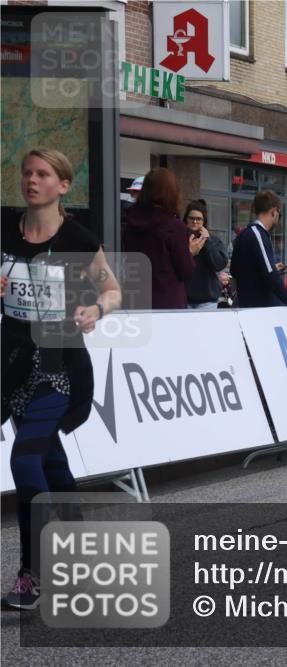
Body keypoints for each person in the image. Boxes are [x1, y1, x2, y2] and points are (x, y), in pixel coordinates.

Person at [1, 148, 122, 610]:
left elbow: (111, 289)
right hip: (12, 365)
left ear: (63, 185)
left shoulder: (77, 237)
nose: (32, 181)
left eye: (43, 174)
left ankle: (32, 576)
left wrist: (96, 309)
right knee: (51, 464)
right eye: (27, 173)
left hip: (58, 369)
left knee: (26, 461)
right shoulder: (4, 230)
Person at [122, 168, 196, 309]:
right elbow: (185, 270)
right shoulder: (174, 226)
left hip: (136, 299)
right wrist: (190, 252)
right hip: (167, 303)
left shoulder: (130, 222)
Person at [229, 190, 287, 314]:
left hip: (247, 306)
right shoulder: (258, 234)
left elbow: (235, 269)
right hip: (260, 308)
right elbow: (270, 275)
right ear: (274, 212)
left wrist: (265, 271)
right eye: (279, 214)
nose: (278, 217)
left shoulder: (245, 234)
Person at [182, 200, 228, 310]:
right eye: (191, 218)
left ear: (204, 221)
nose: (195, 221)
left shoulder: (213, 240)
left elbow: (219, 264)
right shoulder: (179, 239)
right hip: (185, 299)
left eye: (198, 219)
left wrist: (207, 241)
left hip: (207, 300)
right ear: (186, 220)